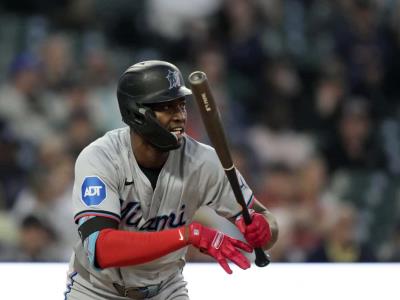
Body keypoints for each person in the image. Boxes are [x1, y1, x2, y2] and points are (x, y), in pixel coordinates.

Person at [65, 60, 278, 299]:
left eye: (181, 105)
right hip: (98, 289)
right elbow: (101, 249)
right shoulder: (101, 157)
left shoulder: (203, 160)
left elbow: (265, 222)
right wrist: (189, 235)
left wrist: (263, 229)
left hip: (165, 289)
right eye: (167, 107)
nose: (180, 116)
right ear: (136, 112)